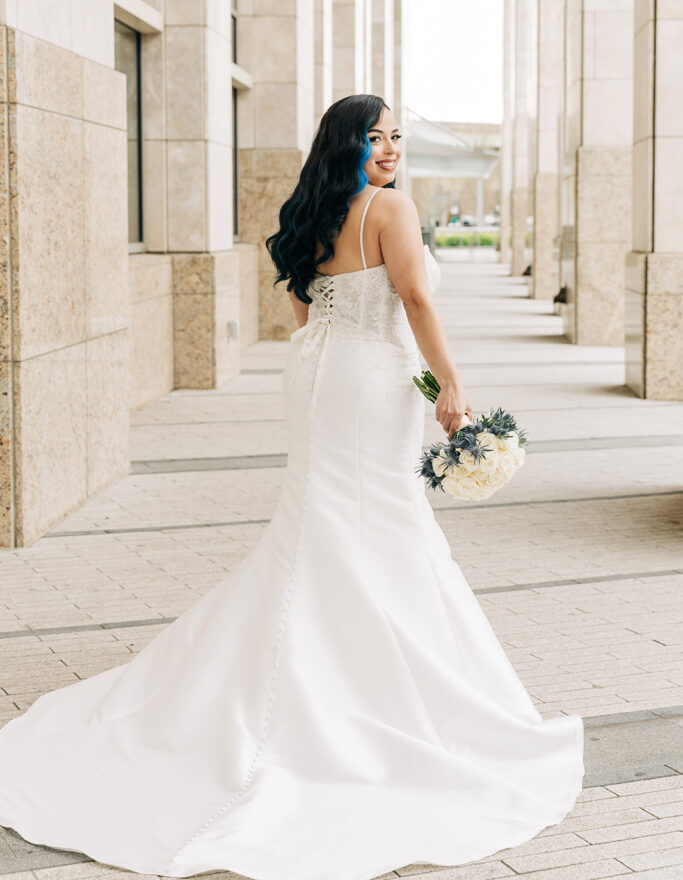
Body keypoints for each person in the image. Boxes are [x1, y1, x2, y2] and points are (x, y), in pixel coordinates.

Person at [0, 94, 584, 880]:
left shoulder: (315, 207)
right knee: (373, 517)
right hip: (367, 378)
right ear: (346, 143)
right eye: (374, 138)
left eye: (396, 138)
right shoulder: (391, 208)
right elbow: (413, 298)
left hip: (319, 369)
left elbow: (304, 302)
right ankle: (354, 682)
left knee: (324, 517)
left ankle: (321, 658)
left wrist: (368, 354)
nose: (389, 150)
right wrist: (449, 383)